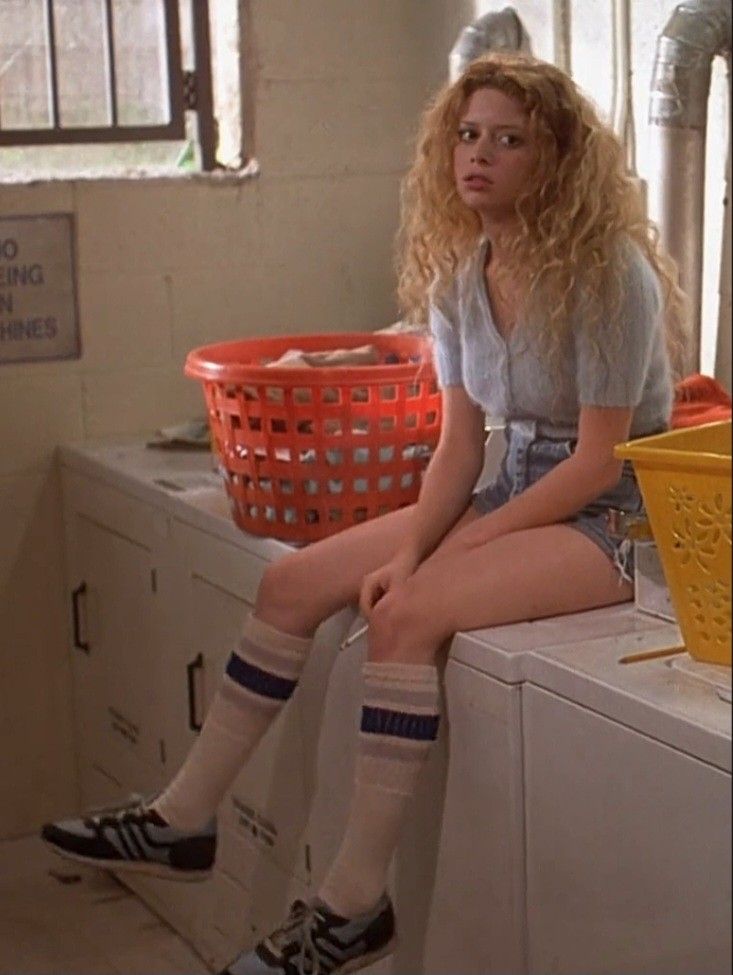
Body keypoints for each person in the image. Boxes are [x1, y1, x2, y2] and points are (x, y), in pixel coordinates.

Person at [41, 52, 688, 975]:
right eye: (468, 136)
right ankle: (181, 819)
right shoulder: (468, 277)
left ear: (557, 158)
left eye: (509, 140)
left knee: (406, 611)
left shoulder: (604, 272)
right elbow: (460, 449)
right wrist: (431, 536)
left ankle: (349, 905)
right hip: (511, 489)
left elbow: (593, 462)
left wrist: (439, 562)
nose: (480, 156)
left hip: (615, 521)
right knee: (289, 579)